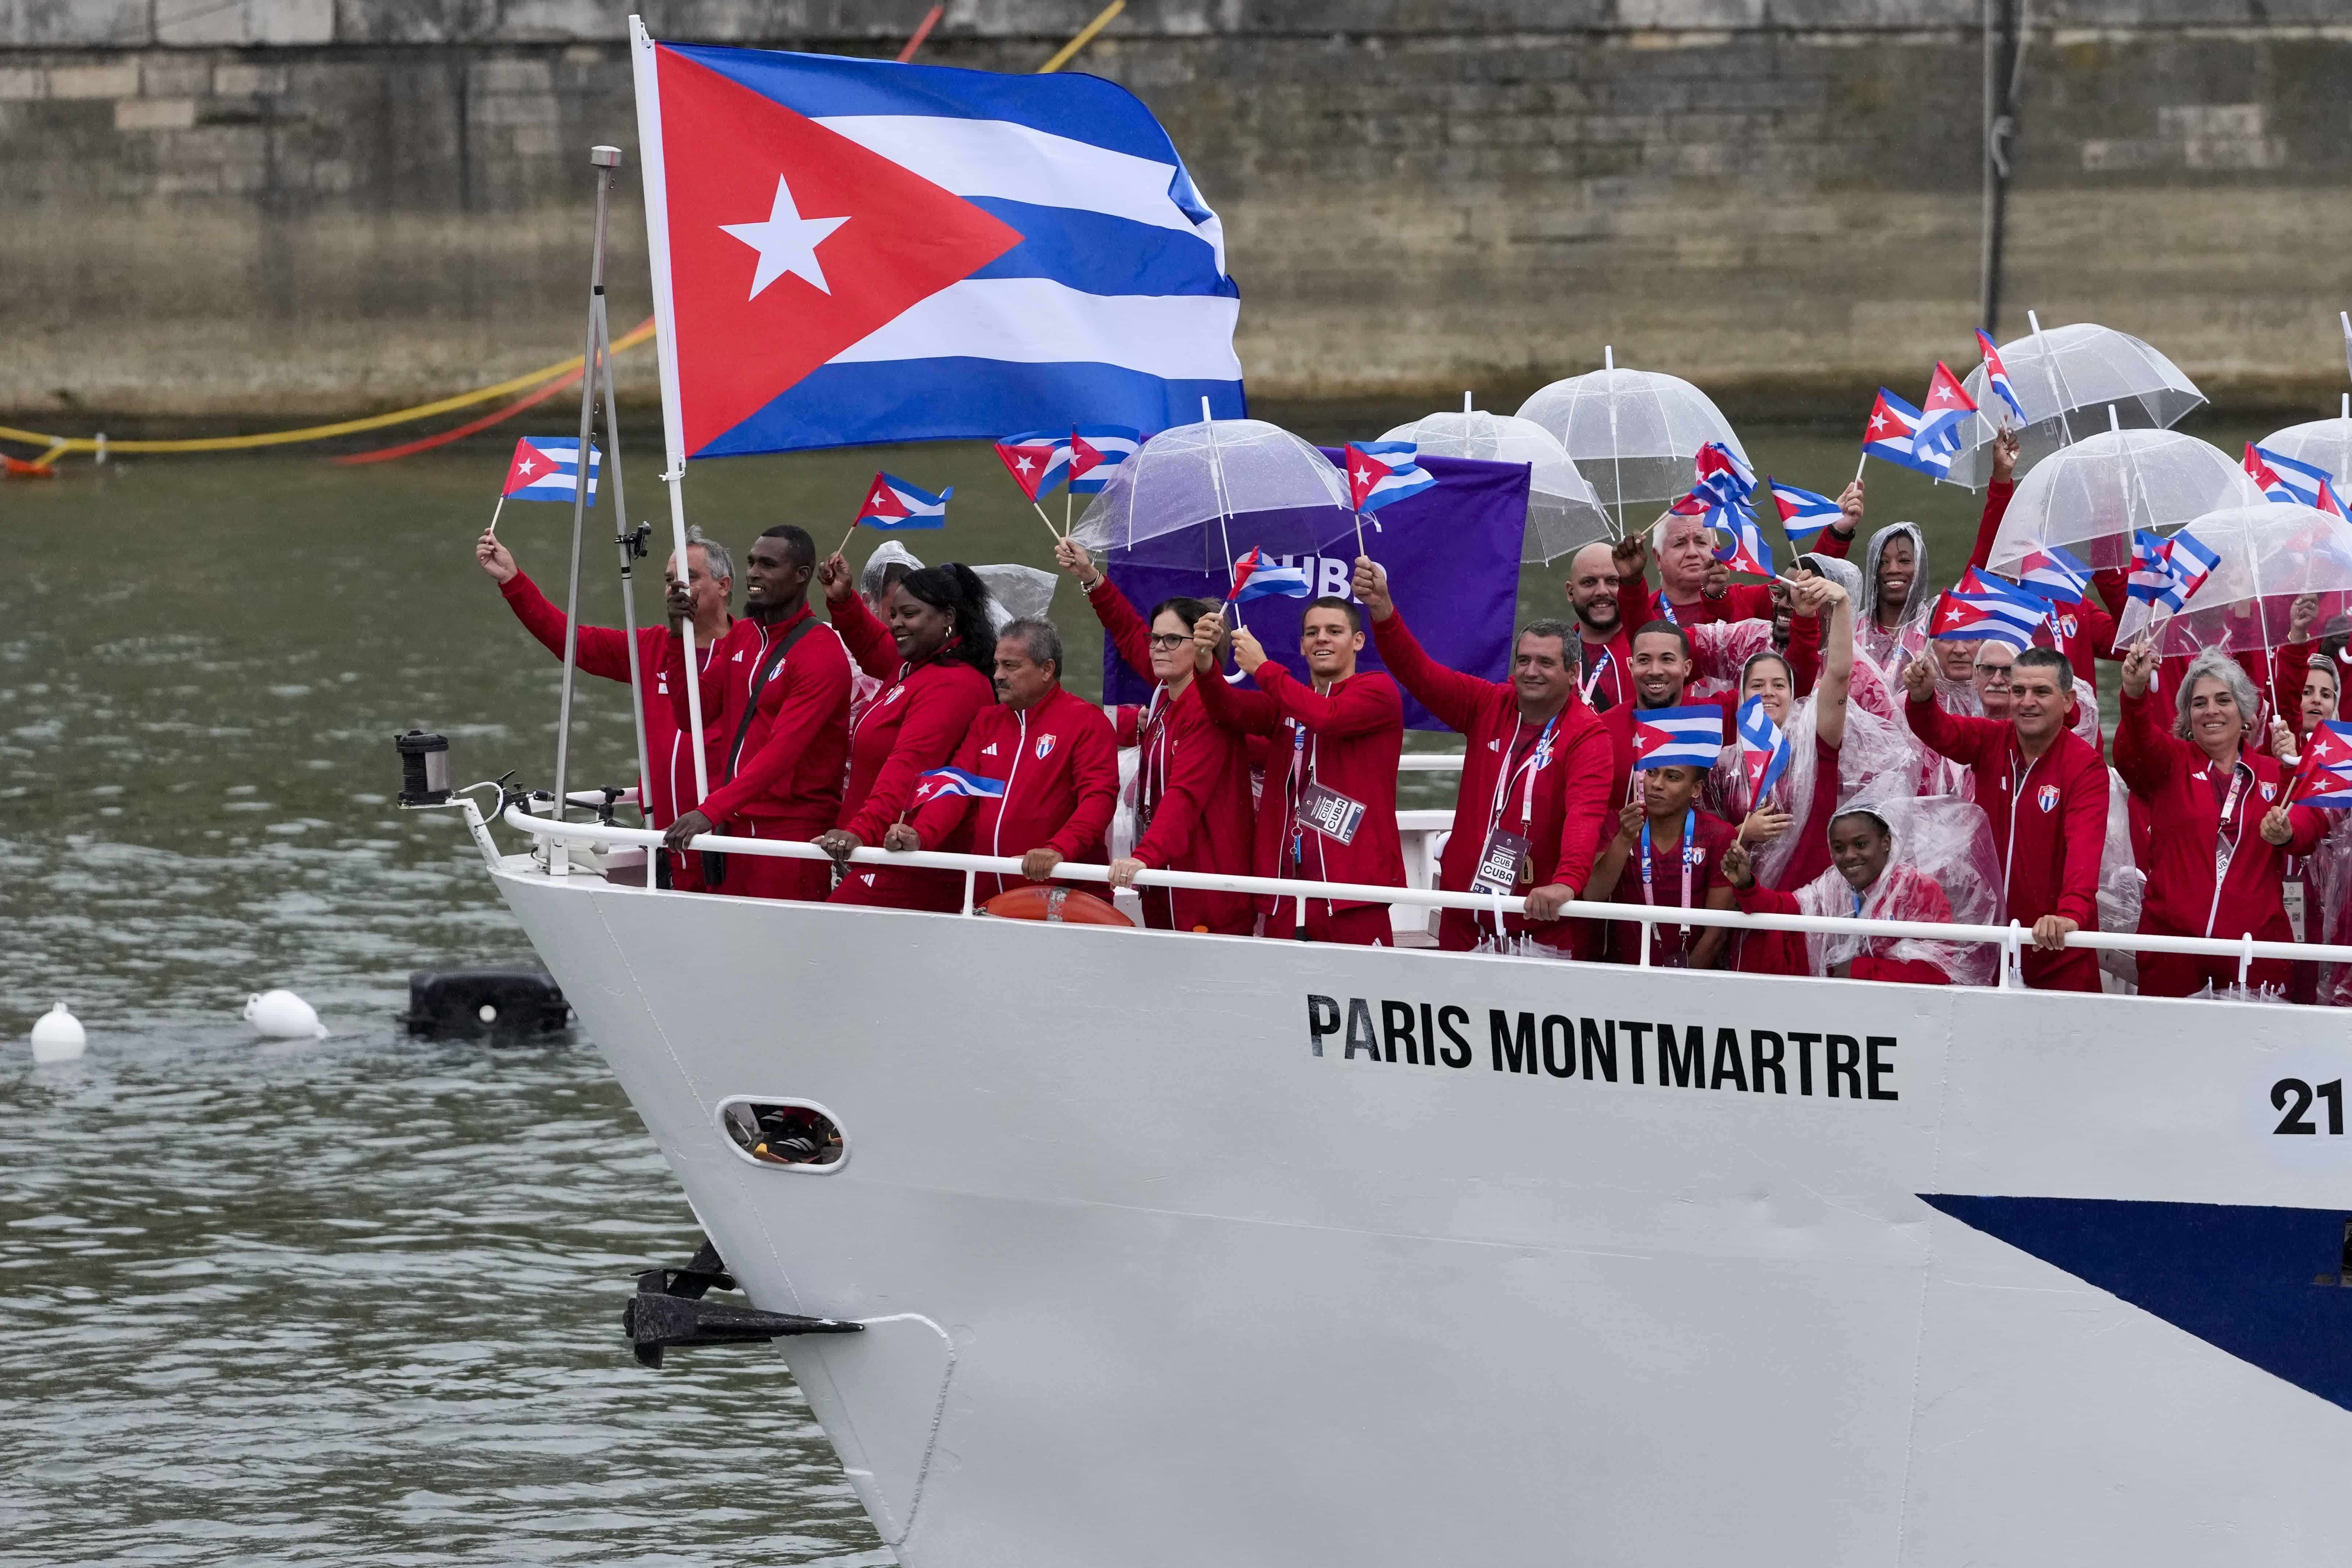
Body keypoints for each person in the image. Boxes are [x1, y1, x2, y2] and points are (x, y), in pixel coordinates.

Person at [1352, 556, 1613, 954]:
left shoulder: (1588, 735)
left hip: (1538, 927)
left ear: (1572, 672)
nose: (1530, 671)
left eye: (1545, 662)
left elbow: (1585, 816)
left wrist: (1566, 881)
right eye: (1523, 660)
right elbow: (1416, 671)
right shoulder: (1487, 703)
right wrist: (1383, 611)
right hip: (1464, 917)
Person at [478, 523, 736, 880]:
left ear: (724, 586)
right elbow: (573, 642)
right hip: (663, 842)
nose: (675, 589)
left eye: (688, 578)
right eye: (668, 579)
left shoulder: (752, 652)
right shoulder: (653, 647)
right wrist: (513, 580)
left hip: (732, 843)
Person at [1056, 538, 1256, 934]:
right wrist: (1090, 576)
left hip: (1206, 881)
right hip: (1164, 871)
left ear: (1201, 645)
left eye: (1171, 640)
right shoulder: (1165, 692)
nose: (1156, 647)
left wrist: (1144, 855)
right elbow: (1127, 630)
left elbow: (1185, 794)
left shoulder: (1206, 707)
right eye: (1156, 638)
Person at [1189, 594, 1406, 943]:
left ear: (1358, 641)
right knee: (1279, 995)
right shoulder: (1287, 703)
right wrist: (1204, 662)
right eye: (1312, 632)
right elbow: (1227, 710)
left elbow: (1327, 716)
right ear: (1302, 647)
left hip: (1351, 892)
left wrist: (1263, 668)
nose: (1321, 638)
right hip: (1285, 889)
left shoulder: (1378, 691)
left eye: (1334, 630)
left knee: (1357, 996)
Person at [2113, 641, 2321, 998]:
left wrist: (2287, 831)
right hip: (2173, 954)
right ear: (2188, 716)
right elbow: (2133, 750)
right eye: (2199, 702)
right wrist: (2133, 695)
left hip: (2253, 954)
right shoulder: (2169, 761)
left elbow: (2309, 826)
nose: (2212, 710)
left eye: (2223, 700)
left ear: (2244, 714)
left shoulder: (2274, 771)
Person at [657, 525, 852, 900]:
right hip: (735, 828)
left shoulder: (820, 652)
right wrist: (678, 635)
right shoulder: (745, 635)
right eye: (750, 562)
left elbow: (784, 751)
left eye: (767, 564)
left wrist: (709, 810)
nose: (753, 573)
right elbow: (690, 716)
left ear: (802, 575)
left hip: (789, 834)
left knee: (782, 951)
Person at [1902, 646, 2107, 990]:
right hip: (1990, 941)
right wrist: (1923, 699)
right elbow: (1938, 730)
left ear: (2069, 700)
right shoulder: (1990, 739)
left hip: (2056, 944)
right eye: (2019, 691)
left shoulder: (2084, 765)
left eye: (2041, 692)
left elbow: (2084, 848)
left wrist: (2069, 914)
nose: (2027, 702)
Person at [885, 619, 1119, 905]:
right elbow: (957, 787)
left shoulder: (1086, 722)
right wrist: (920, 834)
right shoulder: (987, 722)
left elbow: (1099, 800)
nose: (997, 675)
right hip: (987, 895)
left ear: (1047, 669)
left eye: (1011, 666)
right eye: (996, 665)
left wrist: (1058, 849)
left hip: (1066, 897)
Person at [812, 559, 997, 909]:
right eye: (894, 614)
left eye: (909, 614)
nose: (896, 624)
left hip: (909, 860)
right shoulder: (914, 666)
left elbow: (909, 767)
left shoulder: (954, 685)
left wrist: (860, 831)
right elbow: (872, 645)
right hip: (876, 850)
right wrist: (843, 601)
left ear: (947, 617)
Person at [1722, 798, 2001, 986]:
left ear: (1886, 843)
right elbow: (1787, 909)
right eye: (1839, 848)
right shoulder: (1833, 883)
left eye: (1860, 844)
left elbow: (1934, 972)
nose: (1849, 856)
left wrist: (1856, 971)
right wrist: (1746, 884)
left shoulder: (1917, 890)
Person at [1585, 763, 1737, 967]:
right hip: (1622, 974)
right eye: (1652, 773)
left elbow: (1716, 933)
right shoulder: (1620, 822)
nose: (1656, 784)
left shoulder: (1718, 835)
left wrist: (1680, 984)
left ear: (1696, 789)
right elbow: (1593, 895)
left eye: (1672, 777)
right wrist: (1625, 838)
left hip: (1692, 981)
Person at [1559, 537, 1650, 711]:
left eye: (1612, 581)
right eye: (1589, 582)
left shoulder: (1650, 650)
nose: (1601, 591)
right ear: (1571, 592)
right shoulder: (1553, 655)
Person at [1645, 511, 1777, 627]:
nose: (1693, 552)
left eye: (1701, 542)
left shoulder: (1749, 601)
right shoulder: (1636, 611)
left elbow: (1792, 588)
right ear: (1658, 558)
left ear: (1717, 550)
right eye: (1680, 544)